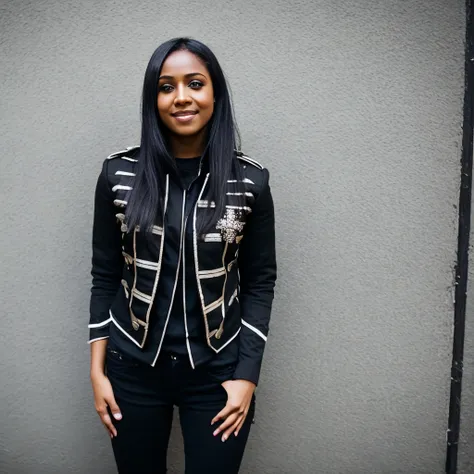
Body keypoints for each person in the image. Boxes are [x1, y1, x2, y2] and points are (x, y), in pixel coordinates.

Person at [88, 37, 277, 474]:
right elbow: (104, 275)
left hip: (218, 373)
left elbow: (260, 282)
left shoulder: (250, 182)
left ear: (215, 94)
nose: (182, 97)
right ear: (153, 99)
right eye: (166, 86)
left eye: (195, 83)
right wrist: (97, 373)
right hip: (131, 370)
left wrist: (247, 375)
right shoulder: (118, 175)